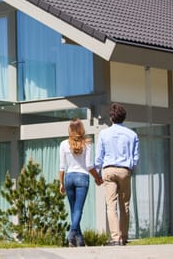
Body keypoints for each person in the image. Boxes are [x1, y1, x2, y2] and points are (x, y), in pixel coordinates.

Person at [95, 103, 139, 246]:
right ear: (124, 117)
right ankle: (124, 237)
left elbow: (99, 156)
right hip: (124, 170)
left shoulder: (103, 133)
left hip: (108, 170)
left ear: (111, 118)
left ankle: (115, 238)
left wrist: (97, 172)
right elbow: (136, 157)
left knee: (111, 205)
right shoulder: (132, 134)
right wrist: (131, 169)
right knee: (124, 205)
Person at [59, 118, 102, 247]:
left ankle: (79, 239)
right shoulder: (86, 144)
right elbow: (89, 165)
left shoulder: (63, 144)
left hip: (69, 178)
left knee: (74, 210)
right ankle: (72, 233)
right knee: (78, 209)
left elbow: (62, 167)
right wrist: (97, 177)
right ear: (82, 130)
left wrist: (61, 183)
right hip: (82, 178)